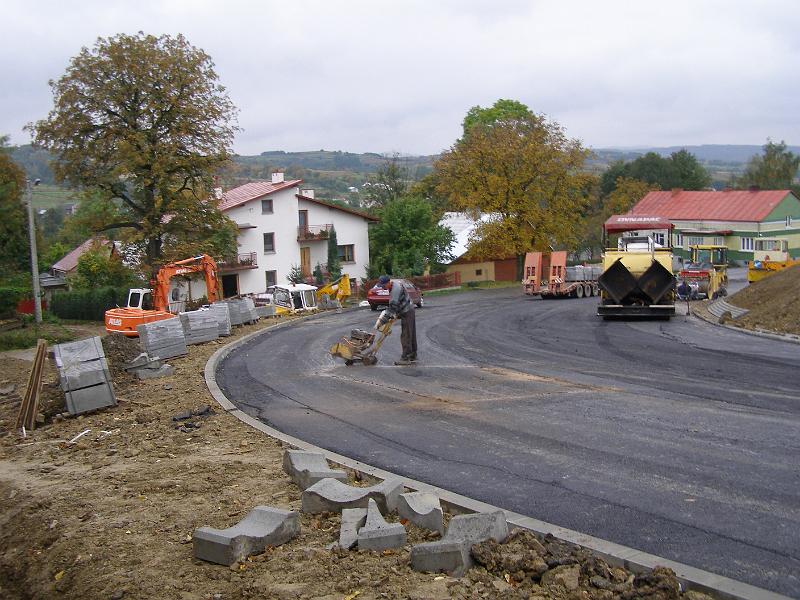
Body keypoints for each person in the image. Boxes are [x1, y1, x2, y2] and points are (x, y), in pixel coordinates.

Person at [375, 275, 417, 365]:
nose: (382, 288)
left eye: (383, 285)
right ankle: (413, 354)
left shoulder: (395, 290)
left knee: (406, 335)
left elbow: (392, 308)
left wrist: (382, 321)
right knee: (410, 333)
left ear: (388, 282)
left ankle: (405, 358)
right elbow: (394, 306)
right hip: (408, 310)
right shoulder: (393, 286)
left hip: (407, 311)